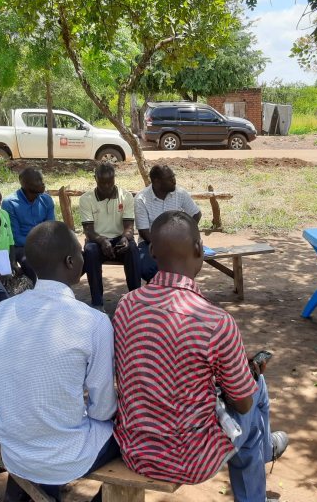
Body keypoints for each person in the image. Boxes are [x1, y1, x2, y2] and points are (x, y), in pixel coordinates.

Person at [113, 211, 287, 502]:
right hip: (190, 458)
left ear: (152, 251)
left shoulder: (126, 306)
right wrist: (247, 375)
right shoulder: (215, 321)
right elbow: (242, 404)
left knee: (238, 397)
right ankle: (263, 458)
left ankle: (265, 447)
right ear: (199, 249)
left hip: (135, 450)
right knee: (256, 395)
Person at [0, 221, 117, 502]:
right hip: (66, 456)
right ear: (72, 261)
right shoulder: (93, 322)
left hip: (14, 446)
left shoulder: (2, 311)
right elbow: (103, 409)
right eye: (81, 253)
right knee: (127, 436)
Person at [79, 162, 140, 311]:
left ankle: (135, 300)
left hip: (120, 239)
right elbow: (88, 230)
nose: (106, 186)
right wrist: (102, 240)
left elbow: (129, 227)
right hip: (97, 240)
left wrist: (125, 238)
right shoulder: (86, 199)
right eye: (102, 182)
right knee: (90, 251)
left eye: (110, 182)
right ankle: (98, 303)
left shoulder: (125, 197)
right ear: (95, 179)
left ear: (114, 179)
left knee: (132, 249)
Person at [134, 165, 201, 282]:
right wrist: (166, 246)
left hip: (178, 241)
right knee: (148, 269)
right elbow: (144, 232)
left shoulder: (180, 193)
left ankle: (180, 293)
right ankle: (159, 294)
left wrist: (187, 235)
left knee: (187, 264)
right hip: (150, 242)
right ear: (157, 181)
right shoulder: (141, 199)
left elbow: (196, 214)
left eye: (174, 177)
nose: (174, 181)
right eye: (170, 178)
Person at [1, 167, 55, 263]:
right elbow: (15, 237)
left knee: (75, 257)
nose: (42, 183)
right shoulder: (10, 203)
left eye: (42, 179)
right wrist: (38, 244)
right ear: (25, 184)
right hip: (22, 246)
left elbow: (51, 227)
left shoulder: (46, 200)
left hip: (45, 243)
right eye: (38, 180)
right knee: (31, 261)